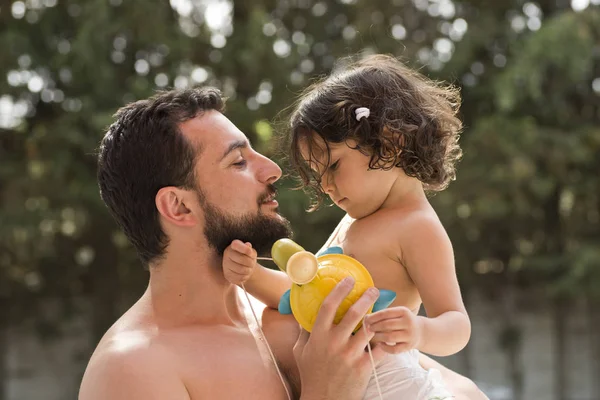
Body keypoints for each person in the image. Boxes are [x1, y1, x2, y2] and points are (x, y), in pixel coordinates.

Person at [78, 87, 389, 400]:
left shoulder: (294, 313)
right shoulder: (132, 370)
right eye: (239, 161)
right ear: (179, 207)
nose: (273, 170)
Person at [223, 54, 488, 400]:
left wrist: (419, 330)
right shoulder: (353, 221)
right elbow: (304, 295)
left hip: (395, 386)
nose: (328, 187)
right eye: (319, 178)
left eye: (333, 166)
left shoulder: (416, 227)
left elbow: (457, 324)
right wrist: (250, 274)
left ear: (391, 142)